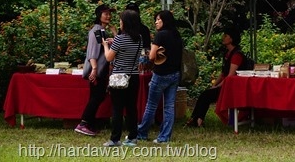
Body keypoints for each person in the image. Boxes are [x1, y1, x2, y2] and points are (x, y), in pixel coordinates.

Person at [137, 10, 183, 143]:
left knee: (151, 104)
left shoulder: (160, 35)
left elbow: (151, 56)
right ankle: (164, 137)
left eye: (158, 19)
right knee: (169, 106)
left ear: (165, 21)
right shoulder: (176, 34)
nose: (156, 22)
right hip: (175, 74)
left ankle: (142, 133)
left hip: (160, 74)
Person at [185, 28, 244, 127]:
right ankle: (196, 118)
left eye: (226, 36)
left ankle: (198, 120)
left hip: (232, 87)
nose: (223, 38)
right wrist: (214, 84)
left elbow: (230, 76)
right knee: (205, 94)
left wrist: (218, 86)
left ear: (231, 39)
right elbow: (223, 73)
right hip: (224, 84)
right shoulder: (227, 54)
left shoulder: (237, 55)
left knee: (206, 95)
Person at [102, 9, 144, 147]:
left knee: (117, 109)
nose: (119, 23)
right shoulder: (139, 38)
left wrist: (105, 46)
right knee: (131, 108)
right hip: (133, 77)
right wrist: (115, 41)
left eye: (120, 20)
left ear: (125, 23)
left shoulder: (120, 39)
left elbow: (109, 57)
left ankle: (115, 139)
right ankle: (132, 137)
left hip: (119, 77)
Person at [74, 4, 117, 136]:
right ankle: (83, 123)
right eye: (105, 13)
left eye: (109, 13)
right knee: (97, 96)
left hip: (101, 70)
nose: (108, 16)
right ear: (99, 15)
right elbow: (92, 52)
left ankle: (90, 123)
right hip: (97, 70)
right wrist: (94, 69)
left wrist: (114, 35)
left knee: (97, 96)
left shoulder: (102, 31)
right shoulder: (96, 30)